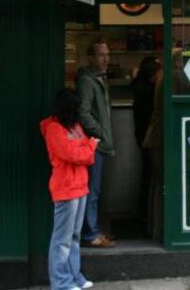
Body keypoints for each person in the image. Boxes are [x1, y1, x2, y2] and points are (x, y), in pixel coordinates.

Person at [40, 89, 98, 290]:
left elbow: (80, 152)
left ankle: (74, 276)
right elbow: (76, 154)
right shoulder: (54, 129)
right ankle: (61, 282)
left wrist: (85, 148)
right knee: (62, 239)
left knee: (73, 237)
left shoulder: (74, 126)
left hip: (80, 186)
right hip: (66, 188)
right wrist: (90, 146)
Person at [76, 39, 117, 248]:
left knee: (94, 190)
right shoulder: (87, 81)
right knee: (92, 191)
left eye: (107, 54)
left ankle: (92, 231)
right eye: (101, 55)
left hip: (99, 143)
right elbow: (83, 112)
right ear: (90, 57)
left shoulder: (99, 79)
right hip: (95, 145)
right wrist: (100, 133)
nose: (106, 59)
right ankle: (90, 234)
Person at [130, 56, 161, 233]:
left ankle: (145, 214)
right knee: (152, 177)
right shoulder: (149, 91)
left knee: (149, 176)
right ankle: (148, 216)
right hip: (151, 138)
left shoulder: (138, 87)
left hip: (143, 136)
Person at [142, 68, 165, 242]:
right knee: (162, 185)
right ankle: (159, 230)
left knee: (157, 185)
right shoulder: (174, 76)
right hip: (160, 139)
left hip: (154, 138)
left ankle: (155, 229)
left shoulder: (161, 76)